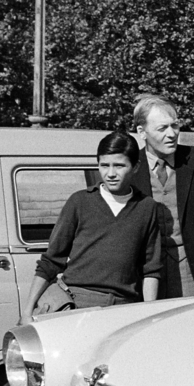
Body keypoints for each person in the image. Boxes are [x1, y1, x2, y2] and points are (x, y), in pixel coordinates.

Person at [30, 133, 162, 314]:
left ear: (135, 167)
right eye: (104, 165)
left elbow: (151, 269)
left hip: (124, 306)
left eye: (119, 166)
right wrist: (27, 312)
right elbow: (51, 261)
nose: (111, 174)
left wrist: (149, 313)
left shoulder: (147, 208)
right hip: (77, 303)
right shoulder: (79, 202)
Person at [127, 94, 194, 298]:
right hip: (144, 274)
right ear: (141, 132)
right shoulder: (129, 168)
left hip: (192, 269)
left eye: (175, 126)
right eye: (162, 128)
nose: (172, 134)